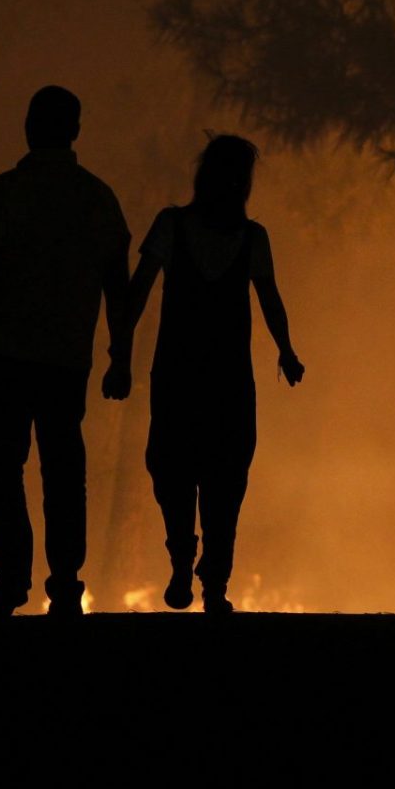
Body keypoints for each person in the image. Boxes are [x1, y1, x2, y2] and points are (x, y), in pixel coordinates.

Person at [0, 85, 131, 618]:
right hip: (67, 358)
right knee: (63, 470)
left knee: (2, 468)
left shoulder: (7, 191)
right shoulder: (97, 198)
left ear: (29, 127)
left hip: (5, 353)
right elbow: (118, 286)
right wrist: (120, 356)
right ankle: (64, 583)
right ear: (76, 131)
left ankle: (11, 578)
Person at [106, 134, 303, 615]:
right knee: (221, 479)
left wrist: (121, 357)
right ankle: (208, 577)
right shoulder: (242, 237)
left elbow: (136, 296)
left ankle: (194, 567)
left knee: (184, 473)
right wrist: (285, 350)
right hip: (222, 379)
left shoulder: (176, 227)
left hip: (183, 375)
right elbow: (269, 298)